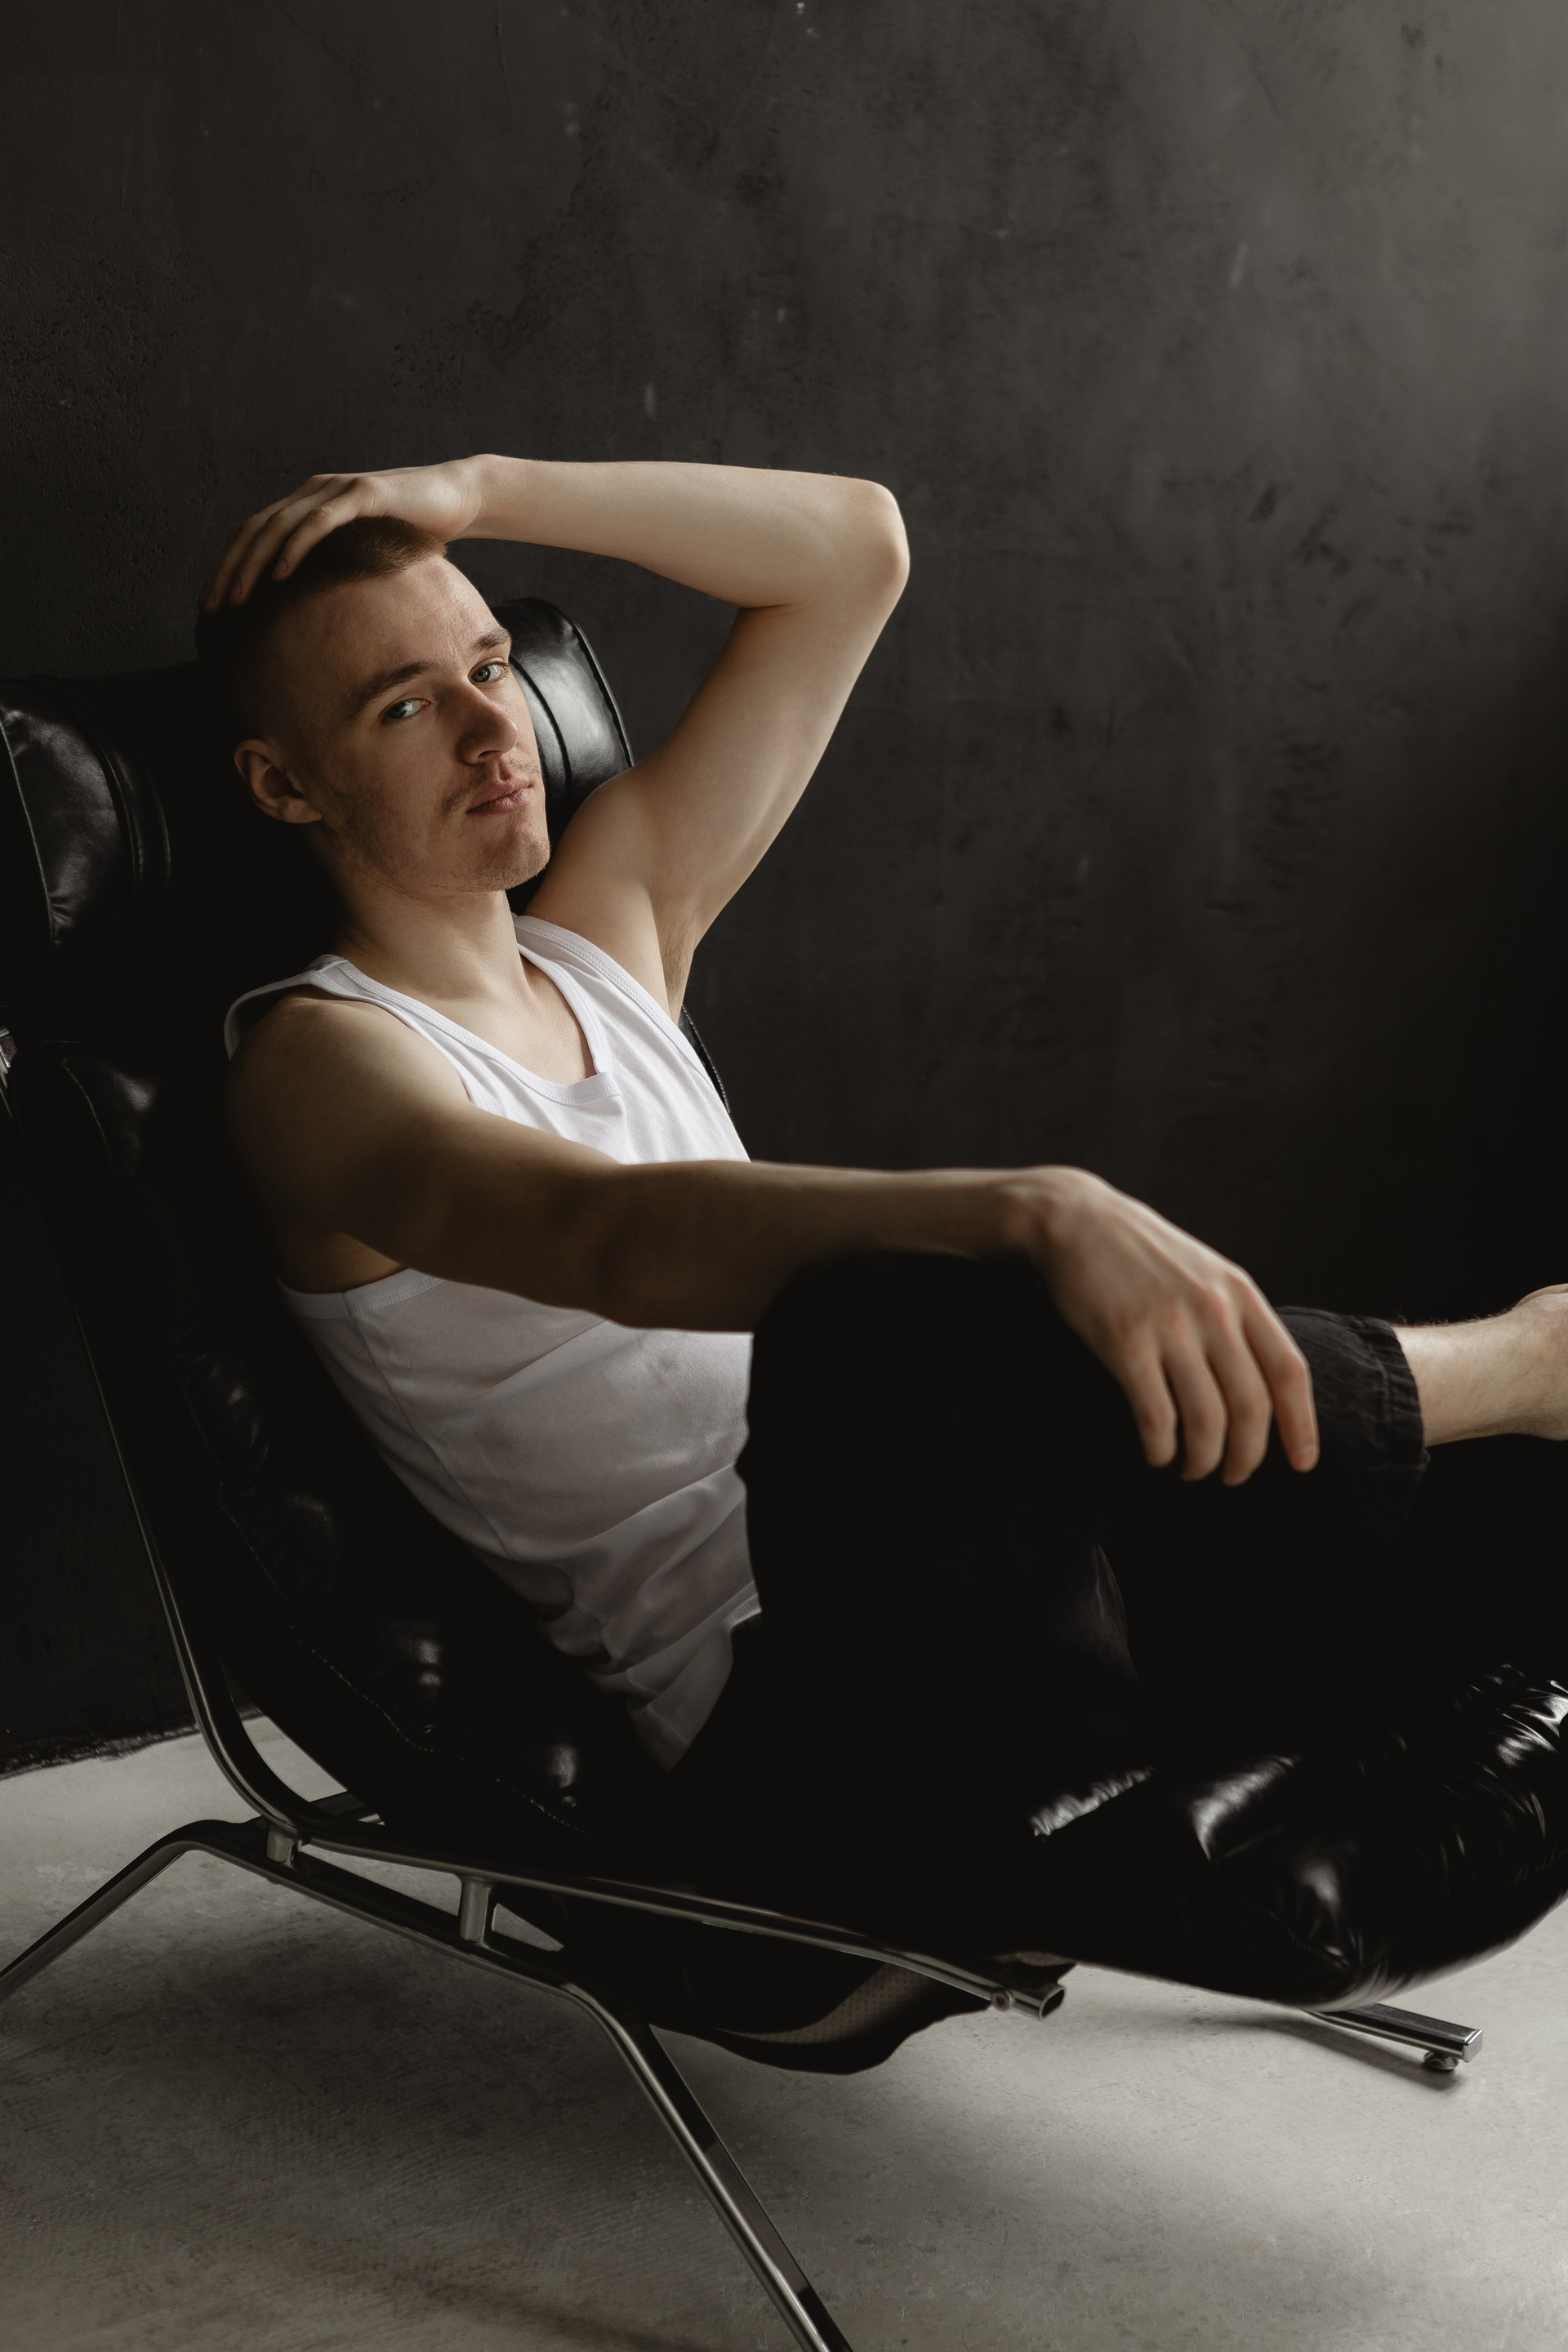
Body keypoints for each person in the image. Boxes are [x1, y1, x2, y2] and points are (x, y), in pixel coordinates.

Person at [199, 455, 1568, 1938]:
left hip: (1022, 1594)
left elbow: (853, 551)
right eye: (404, 708)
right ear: (284, 783)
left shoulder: (611, 931)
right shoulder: (316, 1061)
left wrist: (482, 488)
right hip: (807, 1727)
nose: (495, 730)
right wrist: (1029, 1208)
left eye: (489, 667)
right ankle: (1532, 1364)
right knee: (871, 1316)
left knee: (1049, 1388)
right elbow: (604, 1236)